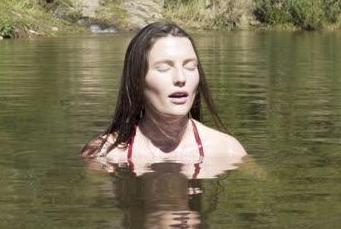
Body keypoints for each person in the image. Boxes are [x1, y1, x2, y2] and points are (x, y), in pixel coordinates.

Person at [80, 21, 246, 165]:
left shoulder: (227, 150)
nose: (180, 78)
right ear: (137, 80)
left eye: (190, 67)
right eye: (163, 68)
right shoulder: (103, 155)